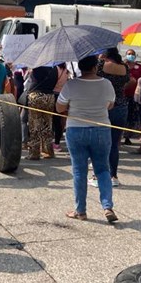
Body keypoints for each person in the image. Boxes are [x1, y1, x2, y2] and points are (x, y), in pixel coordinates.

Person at [56, 55, 118, 223]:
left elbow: (59, 107)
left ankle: (80, 211)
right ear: (95, 67)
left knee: (79, 170)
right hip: (102, 129)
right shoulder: (106, 84)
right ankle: (107, 206)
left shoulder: (71, 84)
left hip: (76, 129)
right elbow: (110, 104)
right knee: (103, 169)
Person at [92, 47, 129, 187]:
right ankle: (113, 176)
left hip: (104, 105)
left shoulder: (101, 65)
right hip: (121, 105)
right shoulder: (124, 67)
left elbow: (94, 77)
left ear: (105, 55)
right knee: (114, 144)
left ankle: (98, 175)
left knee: (99, 143)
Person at [25, 66, 57, 160]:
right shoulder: (54, 68)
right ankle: (48, 151)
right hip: (49, 96)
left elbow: (32, 81)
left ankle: (34, 153)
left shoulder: (37, 66)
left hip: (36, 96)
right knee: (47, 125)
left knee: (34, 125)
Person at [123, 49, 141, 145]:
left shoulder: (139, 68)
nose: (130, 56)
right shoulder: (122, 66)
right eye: (129, 54)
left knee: (132, 116)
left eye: (132, 54)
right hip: (123, 95)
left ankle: (128, 136)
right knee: (123, 116)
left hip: (135, 95)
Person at [51, 62, 69, 151]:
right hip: (62, 95)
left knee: (52, 120)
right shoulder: (66, 70)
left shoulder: (55, 69)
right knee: (58, 120)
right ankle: (57, 143)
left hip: (53, 94)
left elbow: (52, 83)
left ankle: (51, 142)